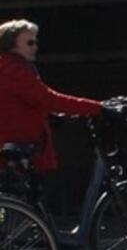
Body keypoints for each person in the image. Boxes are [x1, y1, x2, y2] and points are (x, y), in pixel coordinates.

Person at [0, 19, 106, 174]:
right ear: (11, 45)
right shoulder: (14, 71)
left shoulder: (8, 68)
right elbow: (49, 99)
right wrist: (98, 107)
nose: (35, 47)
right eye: (29, 43)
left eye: (35, 43)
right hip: (18, 154)